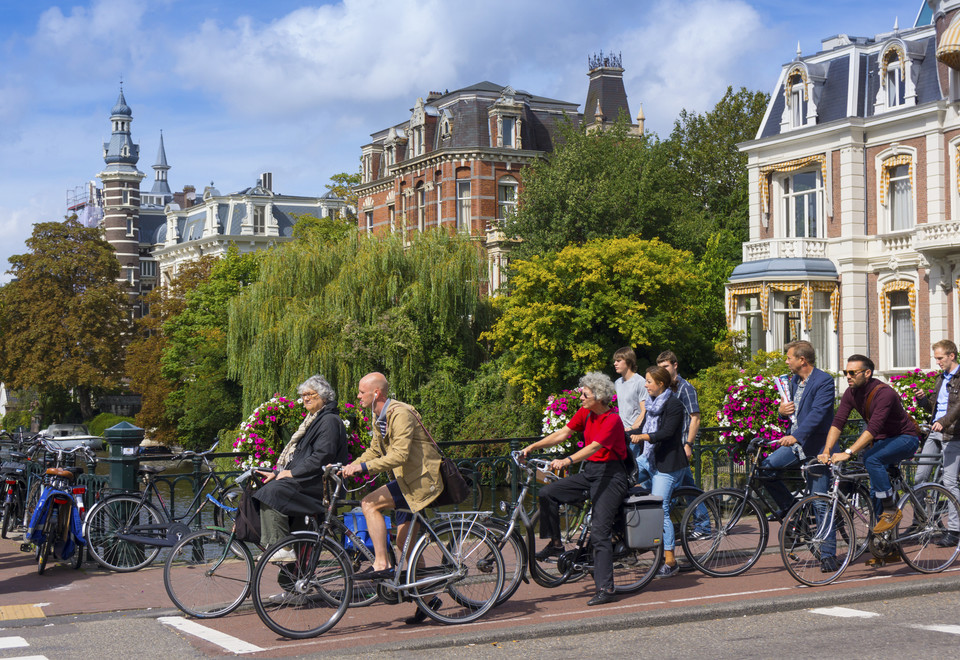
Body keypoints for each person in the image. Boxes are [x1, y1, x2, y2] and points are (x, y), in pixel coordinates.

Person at [342, 372, 445, 623]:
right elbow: (375, 450)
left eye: (361, 392)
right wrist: (348, 466)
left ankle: (381, 563)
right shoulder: (379, 415)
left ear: (376, 393)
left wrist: (364, 469)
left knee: (369, 503)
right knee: (405, 544)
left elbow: (399, 455)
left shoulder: (400, 413)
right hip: (405, 482)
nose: (357, 396)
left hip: (420, 482)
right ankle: (429, 600)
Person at [522, 372, 629, 606]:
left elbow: (593, 447)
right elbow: (563, 433)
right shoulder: (585, 413)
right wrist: (534, 445)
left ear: (598, 397)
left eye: (585, 393)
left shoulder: (612, 420)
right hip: (591, 473)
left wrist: (568, 461)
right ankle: (555, 544)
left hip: (612, 477)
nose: (580, 396)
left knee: (600, 533)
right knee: (548, 493)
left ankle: (606, 588)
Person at [821, 355, 920, 534]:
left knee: (872, 459)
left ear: (867, 373)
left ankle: (891, 509)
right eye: (845, 372)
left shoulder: (884, 393)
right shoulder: (851, 393)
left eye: (852, 372)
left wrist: (848, 452)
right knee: (875, 491)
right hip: (883, 441)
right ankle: (886, 543)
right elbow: (838, 422)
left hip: (905, 438)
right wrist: (827, 450)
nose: (848, 376)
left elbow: (873, 429)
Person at [254, 375, 348, 560]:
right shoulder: (313, 420)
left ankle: (282, 547)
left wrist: (292, 473)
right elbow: (301, 456)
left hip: (320, 485)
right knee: (267, 487)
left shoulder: (328, 421)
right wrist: (278, 472)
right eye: (303, 395)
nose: (306, 398)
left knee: (271, 493)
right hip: (310, 481)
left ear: (323, 397)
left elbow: (323, 456)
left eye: (310, 394)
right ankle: (293, 576)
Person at [757, 341, 836, 518]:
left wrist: (796, 436)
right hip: (796, 444)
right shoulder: (793, 381)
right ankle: (793, 509)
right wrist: (781, 412)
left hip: (817, 447)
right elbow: (792, 413)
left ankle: (826, 545)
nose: (786, 362)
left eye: (789, 358)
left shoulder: (824, 381)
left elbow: (818, 414)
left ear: (802, 360)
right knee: (765, 470)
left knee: (819, 502)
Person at [628, 365, 689, 578]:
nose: (645, 385)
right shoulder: (652, 404)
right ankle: (628, 544)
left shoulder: (674, 405)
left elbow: (667, 433)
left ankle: (670, 561)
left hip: (668, 465)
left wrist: (643, 437)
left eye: (648, 382)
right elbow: (642, 428)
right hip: (649, 460)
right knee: (622, 487)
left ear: (660, 384)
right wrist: (624, 433)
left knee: (661, 508)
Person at [918, 340, 960, 547]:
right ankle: (923, 520)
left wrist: (943, 422)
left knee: (950, 482)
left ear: (952, 356)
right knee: (920, 477)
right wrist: (923, 400)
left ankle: (954, 530)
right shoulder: (940, 378)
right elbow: (935, 406)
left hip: (953, 434)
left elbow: (958, 407)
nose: (937, 362)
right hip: (935, 432)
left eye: (940, 358)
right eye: (936, 358)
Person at [613, 347, 647, 486]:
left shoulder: (640, 382)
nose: (615, 363)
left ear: (628, 362)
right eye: (615, 360)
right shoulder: (617, 383)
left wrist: (632, 428)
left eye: (618, 360)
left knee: (633, 472)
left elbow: (645, 410)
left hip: (634, 435)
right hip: (621, 434)